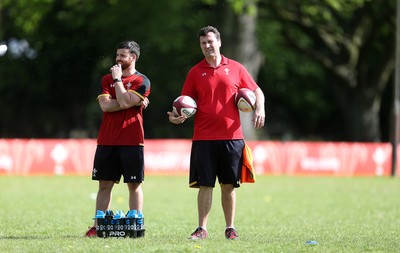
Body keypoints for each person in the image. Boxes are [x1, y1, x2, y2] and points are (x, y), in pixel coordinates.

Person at [167, 26, 265, 240]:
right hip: (203, 138)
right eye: (203, 43)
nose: (207, 46)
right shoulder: (195, 72)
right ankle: (202, 228)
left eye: (210, 41)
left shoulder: (237, 68)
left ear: (219, 42)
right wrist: (177, 117)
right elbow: (184, 104)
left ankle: (230, 228)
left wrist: (260, 108)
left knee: (229, 186)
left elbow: (256, 90)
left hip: (232, 137)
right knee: (205, 185)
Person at [85, 40, 151, 237]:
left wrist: (118, 84)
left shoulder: (142, 81)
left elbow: (121, 101)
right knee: (104, 184)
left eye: (123, 55)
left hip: (132, 139)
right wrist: (129, 102)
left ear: (133, 58)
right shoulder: (106, 78)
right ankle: (97, 226)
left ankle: (135, 225)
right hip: (107, 139)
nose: (118, 59)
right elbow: (106, 106)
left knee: (134, 185)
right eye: (117, 55)